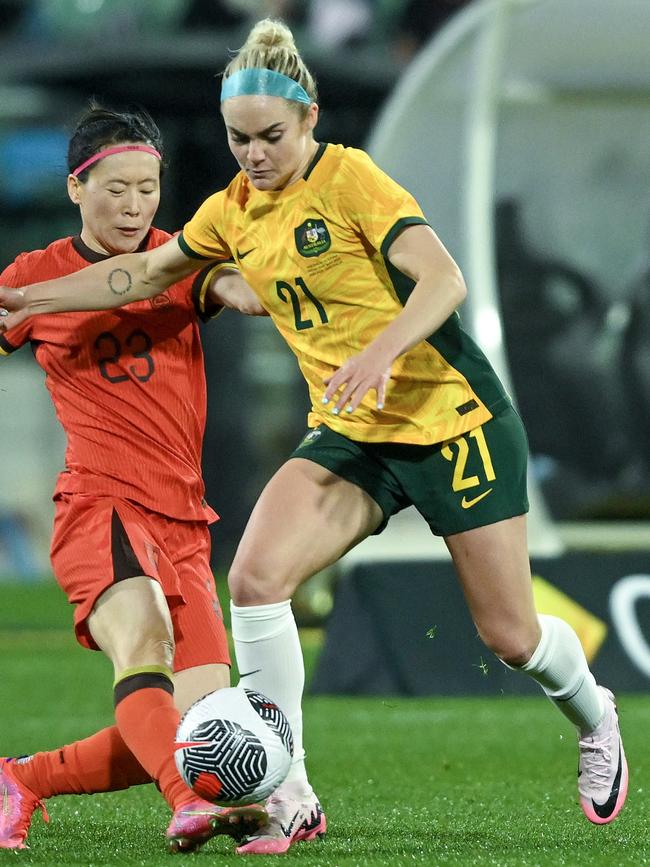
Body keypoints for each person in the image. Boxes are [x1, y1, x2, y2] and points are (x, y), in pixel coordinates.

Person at [0, 19, 629, 855]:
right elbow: (148, 272)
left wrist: (380, 351)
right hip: (350, 434)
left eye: (270, 136)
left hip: (453, 422)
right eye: (237, 139)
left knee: (510, 636)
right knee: (257, 578)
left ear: (309, 119)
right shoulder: (229, 210)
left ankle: (594, 714)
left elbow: (445, 279)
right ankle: (287, 785)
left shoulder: (352, 179)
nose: (253, 155)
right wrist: (33, 301)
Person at [0, 103, 269, 853]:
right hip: (101, 503)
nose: (133, 205)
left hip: (186, 520)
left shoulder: (177, 261)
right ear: (75, 188)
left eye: (147, 188)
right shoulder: (32, 279)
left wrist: (261, 283)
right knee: (144, 644)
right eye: (115, 188)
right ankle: (185, 805)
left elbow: (233, 288)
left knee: (194, 726)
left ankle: (23, 778)